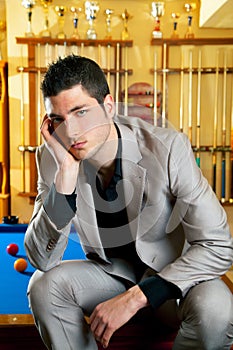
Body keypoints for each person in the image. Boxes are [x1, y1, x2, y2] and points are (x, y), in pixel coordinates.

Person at [25, 54, 233, 350]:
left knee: (217, 306)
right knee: (43, 286)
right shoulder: (52, 156)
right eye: (58, 119)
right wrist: (66, 176)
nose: (70, 132)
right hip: (111, 277)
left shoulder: (167, 148)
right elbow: (41, 260)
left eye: (81, 112)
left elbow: (218, 245)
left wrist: (137, 297)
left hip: (174, 281)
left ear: (107, 106)